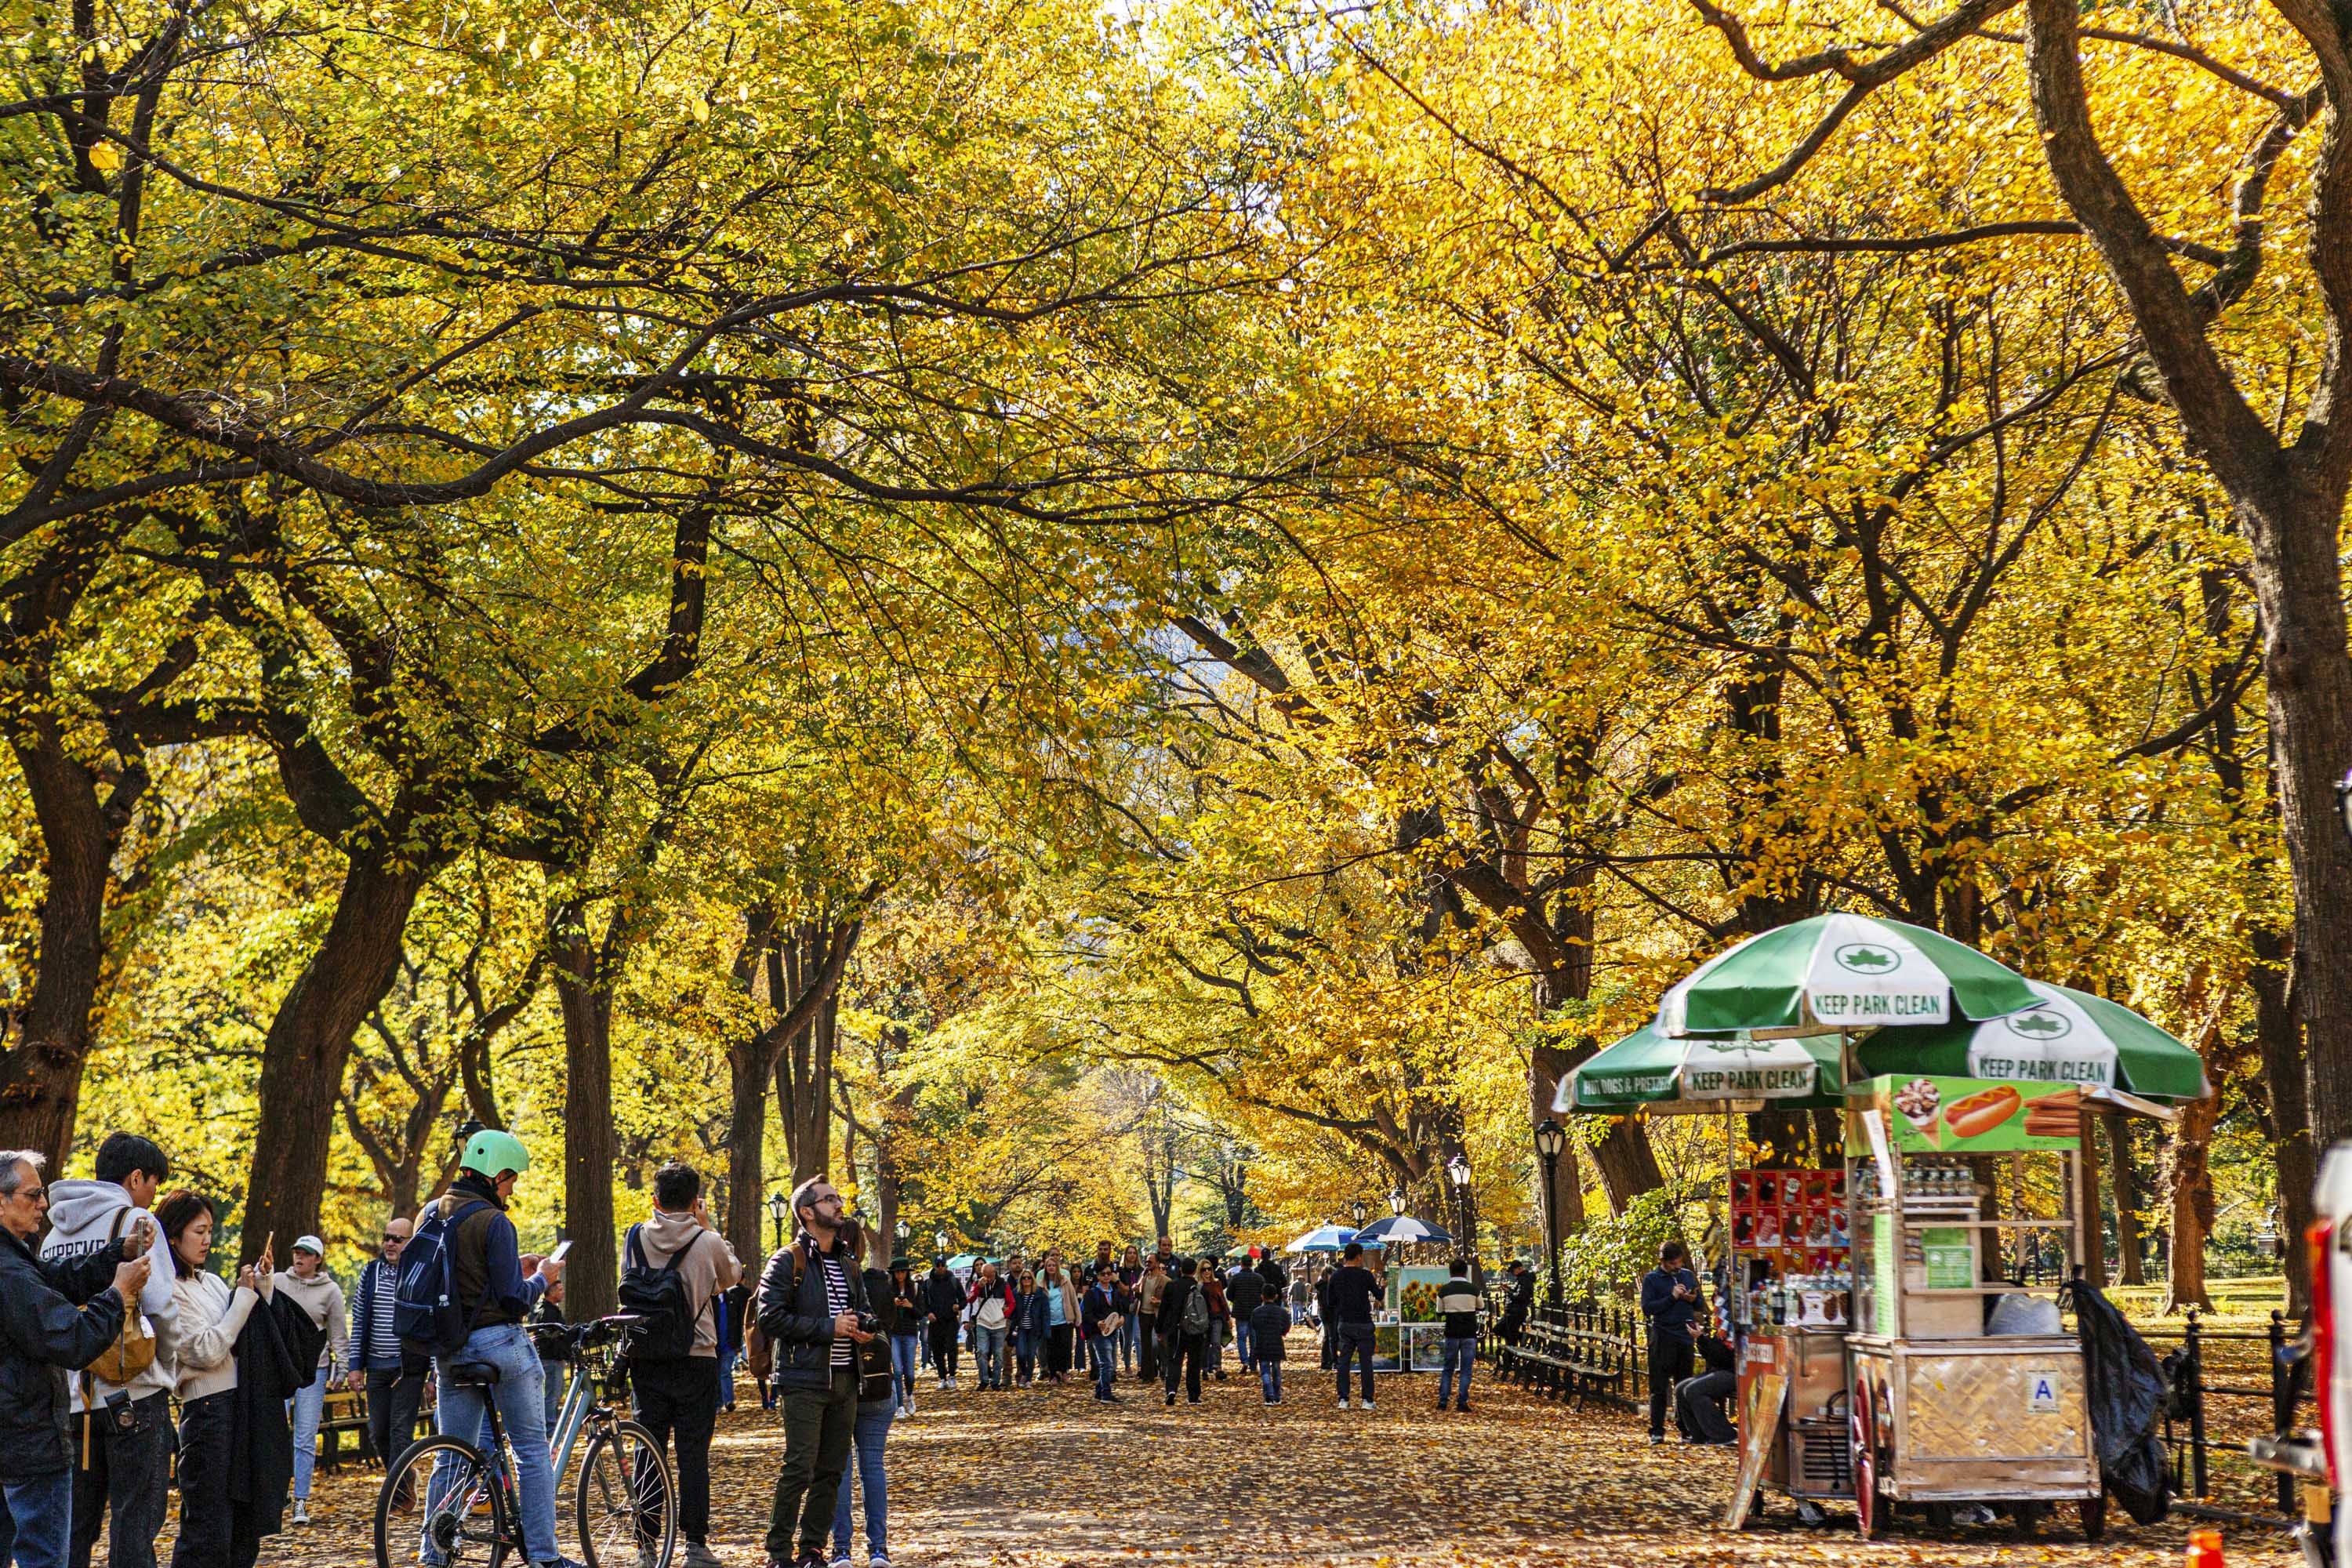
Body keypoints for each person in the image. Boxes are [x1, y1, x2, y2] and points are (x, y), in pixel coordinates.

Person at [419, 1127, 572, 1568]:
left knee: (450, 1455)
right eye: (511, 1180)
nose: (512, 1189)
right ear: (496, 1174)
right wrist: (542, 1276)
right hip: (499, 1347)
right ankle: (544, 1556)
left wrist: (515, 1268)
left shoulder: (432, 1214)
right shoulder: (495, 1221)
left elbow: (465, 1283)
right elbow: (514, 1301)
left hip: (448, 1351)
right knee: (531, 1449)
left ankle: (434, 1555)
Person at [0, 1150, 147, 1568]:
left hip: (15, 1438)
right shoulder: (8, 1271)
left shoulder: (15, 1258)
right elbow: (74, 1339)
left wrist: (116, 1253)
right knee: (44, 1558)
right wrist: (119, 1294)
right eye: (32, 1195)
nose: (44, 1204)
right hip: (28, 1442)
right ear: (1, 1201)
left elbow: (54, 1279)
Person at [39, 1131, 177, 1568]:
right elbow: (162, 1306)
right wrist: (169, 1370)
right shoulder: (137, 1223)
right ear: (136, 1177)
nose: (153, 1198)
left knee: (74, 1530)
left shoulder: (51, 1237)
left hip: (74, 1403)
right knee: (134, 1525)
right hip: (133, 1393)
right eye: (154, 1185)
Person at [160, 1187, 291, 1568]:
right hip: (207, 1414)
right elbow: (205, 1350)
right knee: (207, 1531)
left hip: (243, 1409)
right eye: (198, 1231)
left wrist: (261, 1286)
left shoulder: (213, 1283)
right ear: (173, 1236)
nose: (207, 1240)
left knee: (245, 1529)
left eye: (210, 1230)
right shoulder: (169, 1290)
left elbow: (246, 1336)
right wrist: (244, 1298)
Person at [624, 1162, 741, 1568]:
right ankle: (695, 1544)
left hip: (647, 1357)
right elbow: (732, 1277)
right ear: (695, 1202)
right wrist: (711, 1229)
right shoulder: (706, 1240)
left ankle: (645, 1545)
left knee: (648, 1450)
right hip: (697, 1357)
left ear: (654, 1199)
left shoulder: (635, 1237)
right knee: (693, 1453)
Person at [753, 1176, 874, 1568]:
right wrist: (829, 1328)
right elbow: (769, 1317)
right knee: (799, 1467)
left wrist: (865, 1327)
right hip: (803, 1381)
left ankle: (812, 1551)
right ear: (807, 1211)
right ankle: (778, 1553)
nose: (839, 1205)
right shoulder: (787, 1260)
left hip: (846, 1381)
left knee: (832, 1471)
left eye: (838, 1198)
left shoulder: (849, 1262)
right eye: (829, 1200)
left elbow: (866, 1309)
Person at [829, 1220, 895, 1568]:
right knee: (873, 1465)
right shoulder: (879, 1282)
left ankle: (842, 1549)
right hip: (879, 1380)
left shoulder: (830, 1281)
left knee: (841, 1468)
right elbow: (891, 1325)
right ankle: (879, 1548)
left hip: (843, 1381)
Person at [344, 1214, 423, 1486]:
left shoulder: (420, 1273)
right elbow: (359, 1319)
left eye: (397, 1239)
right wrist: (355, 1365)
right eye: (386, 1238)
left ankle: (396, 1495)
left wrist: (434, 1373)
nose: (390, 1244)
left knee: (401, 1433)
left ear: (411, 1242)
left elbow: (430, 1322)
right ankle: (405, 1478)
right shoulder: (371, 1272)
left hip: (408, 1368)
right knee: (379, 1433)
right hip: (376, 1367)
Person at [275, 1236, 347, 1525]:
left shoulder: (330, 1291)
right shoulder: (278, 1281)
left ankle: (301, 1501)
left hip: (313, 1372)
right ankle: (278, 1494)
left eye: (307, 1254)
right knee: (276, 1432)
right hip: (281, 1369)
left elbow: (338, 1333)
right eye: (296, 1252)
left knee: (304, 1437)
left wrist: (342, 1367)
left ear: (318, 1259)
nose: (300, 1258)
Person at [1640, 1240, 1703, 1446]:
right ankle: (1657, 1431)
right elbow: (1648, 1308)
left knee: (1684, 1385)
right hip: (1662, 1336)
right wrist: (1672, 1297)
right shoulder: (1652, 1279)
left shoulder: (1687, 1275)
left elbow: (1700, 1303)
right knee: (1659, 1387)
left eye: (1679, 1263)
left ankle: (1685, 1428)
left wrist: (1692, 1298)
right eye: (1673, 1264)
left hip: (1684, 1337)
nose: (1677, 1267)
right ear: (1663, 1261)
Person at [1327, 1243, 1379, 1410]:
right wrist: (1383, 1285)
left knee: (1344, 1361)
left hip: (1345, 1323)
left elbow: (1330, 1301)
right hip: (1364, 1322)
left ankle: (1343, 1398)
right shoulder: (1365, 1276)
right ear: (1358, 1256)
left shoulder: (1336, 1276)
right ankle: (1367, 1400)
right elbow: (1379, 1295)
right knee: (1366, 1362)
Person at [1154, 1256, 1208, 1406]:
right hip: (1195, 1331)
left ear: (1180, 1270)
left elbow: (1163, 1308)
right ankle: (1193, 1395)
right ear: (1195, 1271)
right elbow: (1205, 1311)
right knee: (1194, 1363)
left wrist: (1159, 1329)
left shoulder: (1172, 1286)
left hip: (1175, 1329)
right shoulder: (1199, 1288)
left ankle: (1171, 1389)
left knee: (1174, 1360)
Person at [526, 1276, 570, 1442]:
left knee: (552, 1394)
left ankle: (548, 1427)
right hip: (551, 1359)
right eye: (559, 1290)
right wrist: (561, 1351)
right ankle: (549, 1430)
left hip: (549, 1358)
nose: (563, 1292)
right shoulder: (548, 1312)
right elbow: (548, 1337)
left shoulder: (541, 1310)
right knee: (552, 1395)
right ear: (551, 1293)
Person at [1434, 1258, 1480, 1413]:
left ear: (1450, 1272)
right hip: (1469, 1333)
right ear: (1465, 1272)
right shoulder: (1473, 1289)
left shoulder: (1444, 1290)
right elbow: (1481, 1306)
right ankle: (1462, 1401)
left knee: (1448, 1368)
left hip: (1452, 1333)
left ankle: (1443, 1401)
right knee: (1466, 1369)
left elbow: (1439, 1311)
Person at [1675, 1334, 1739, 1445]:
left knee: (1694, 1390)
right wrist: (1700, 1340)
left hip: (1735, 1372)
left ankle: (1724, 1435)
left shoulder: (1732, 1330)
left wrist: (1702, 1339)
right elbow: (1713, 1356)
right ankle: (1699, 1435)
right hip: (1720, 1370)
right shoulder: (1722, 1330)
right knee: (1681, 1388)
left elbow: (1725, 1358)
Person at [1080, 1263, 1126, 1404]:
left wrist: (1121, 1319)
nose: (1106, 1276)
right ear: (1098, 1276)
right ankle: (1106, 1394)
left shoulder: (1115, 1292)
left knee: (1109, 1364)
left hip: (1113, 1332)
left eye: (1108, 1273)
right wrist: (1097, 1323)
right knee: (1106, 1363)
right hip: (1098, 1333)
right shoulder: (1091, 1294)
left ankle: (1099, 1391)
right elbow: (1086, 1314)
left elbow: (1120, 1310)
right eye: (1103, 1274)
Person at [963, 1264, 1012, 1392]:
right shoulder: (977, 1284)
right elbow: (970, 1299)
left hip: (999, 1324)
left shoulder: (1003, 1284)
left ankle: (995, 1381)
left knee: (998, 1354)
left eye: (991, 1276)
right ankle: (983, 1380)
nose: (989, 1279)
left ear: (995, 1273)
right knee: (981, 1351)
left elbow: (1011, 1302)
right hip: (983, 1323)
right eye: (986, 1276)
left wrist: (1004, 1314)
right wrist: (978, 1287)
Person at [884, 1265, 922, 1416]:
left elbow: (921, 1313)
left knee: (910, 1373)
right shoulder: (888, 1290)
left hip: (910, 1333)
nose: (900, 1275)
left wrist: (910, 1306)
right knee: (898, 1370)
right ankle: (900, 1405)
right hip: (894, 1333)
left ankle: (910, 1396)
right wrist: (892, 1304)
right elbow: (882, 1311)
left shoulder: (916, 1289)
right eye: (897, 1272)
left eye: (903, 1271)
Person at [919, 1261, 960, 1391]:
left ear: (946, 1267)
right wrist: (928, 1313)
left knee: (951, 1348)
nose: (941, 1268)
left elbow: (963, 1299)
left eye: (943, 1265)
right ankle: (942, 1378)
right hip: (935, 1322)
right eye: (938, 1265)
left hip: (950, 1320)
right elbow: (922, 1302)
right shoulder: (928, 1283)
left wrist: (959, 1306)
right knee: (937, 1350)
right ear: (935, 1267)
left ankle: (952, 1376)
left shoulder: (954, 1281)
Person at [1246, 1287, 1289, 1405]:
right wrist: (1281, 1332)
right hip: (1276, 1343)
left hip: (1262, 1343)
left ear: (1262, 1297)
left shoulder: (1256, 1312)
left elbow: (1254, 1325)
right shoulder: (1282, 1312)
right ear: (1276, 1296)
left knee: (1265, 1370)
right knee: (1276, 1371)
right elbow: (1286, 1327)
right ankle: (1277, 1396)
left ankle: (1268, 1396)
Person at [1037, 1261, 1077, 1385]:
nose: (1051, 1268)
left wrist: (1077, 1316)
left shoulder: (1065, 1281)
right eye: (1049, 1265)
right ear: (1046, 1268)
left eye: (1054, 1265)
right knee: (1051, 1349)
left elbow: (1073, 1299)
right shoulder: (1042, 1284)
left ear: (1057, 1267)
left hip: (1064, 1319)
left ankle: (1065, 1372)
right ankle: (1053, 1375)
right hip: (1049, 1321)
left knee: (1065, 1347)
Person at [1224, 1256, 1265, 1371]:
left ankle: (1244, 1361)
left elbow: (1229, 1295)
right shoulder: (1259, 1278)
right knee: (1254, 1339)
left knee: (1241, 1338)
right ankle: (1253, 1364)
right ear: (1252, 1264)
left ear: (1241, 1264)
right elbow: (1264, 1293)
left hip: (1241, 1312)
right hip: (1255, 1312)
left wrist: (1237, 1300)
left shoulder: (1236, 1278)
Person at [1132, 1258, 1167, 1385]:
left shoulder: (1165, 1280)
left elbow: (1170, 1300)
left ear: (1157, 1263)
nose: (1147, 1264)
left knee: (1155, 1345)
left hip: (1156, 1315)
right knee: (1144, 1345)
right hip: (1143, 1314)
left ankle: (1159, 1370)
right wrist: (1136, 1289)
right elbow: (1137, 1291)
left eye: (1150, 1262)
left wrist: (1159, 1302)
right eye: (1146, 1262)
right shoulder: (1144, 1278)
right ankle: (1147, 1375)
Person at [720, 1280, 752, 1414]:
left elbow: (738, 1323)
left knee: (725, 1372)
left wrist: (738, 1343)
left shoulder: (732, 1300)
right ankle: (717, 1403)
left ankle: (728, 1401)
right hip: (712, 1344)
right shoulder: (708, 1300)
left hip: (728, 1344)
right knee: (716, 1374)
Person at [1116, 1247, 1143, 1376]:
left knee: (1138, 1338)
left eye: (1134, 1253)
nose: (1132, 1255)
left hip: (1138, 1307)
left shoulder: (1142, 1271)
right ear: (1125, 1255)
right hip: (1125, 1308)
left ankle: (1140, 1366)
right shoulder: (1121, 1271)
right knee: (1127, 1339)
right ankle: (1127, 1366)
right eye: (1129, 1253)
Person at [1496, 1260, 1534, 1347]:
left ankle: (1520, 1339)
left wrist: (1508, 1292)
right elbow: (1517, 1293)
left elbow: (1520, 1297)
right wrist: (1509, 1289)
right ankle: (1520, 1338)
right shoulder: (1521, 1279)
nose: (1513, 1274)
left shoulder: (1524, 1279)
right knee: (1499, 1329)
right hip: (1512, 1310)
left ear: (1519, 1268)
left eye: (1513, 1271)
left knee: (1510, 1335)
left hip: (1516, 1311)